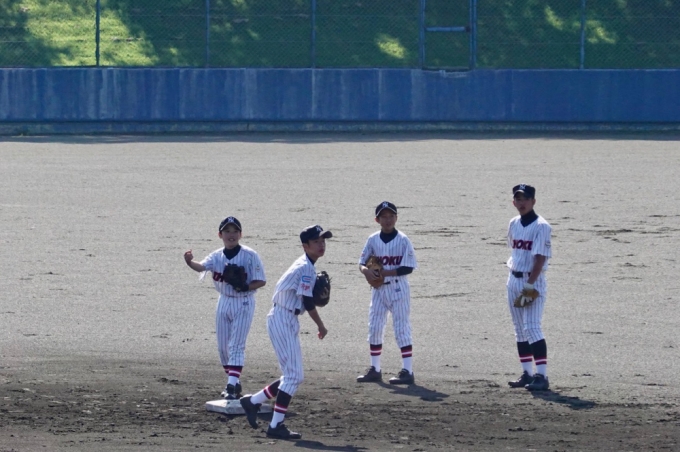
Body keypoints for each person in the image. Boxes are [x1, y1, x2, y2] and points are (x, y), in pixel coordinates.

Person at [240, 224, 331, 440]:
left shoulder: (306, 265)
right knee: (294, 376)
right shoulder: (305, 268)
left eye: (323, 241)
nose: (321, 245)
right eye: (316, 241)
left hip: (285, 318)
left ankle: (252, 402)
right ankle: (275, 425)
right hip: (282, 318)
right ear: (305, 246)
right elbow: (307, 301)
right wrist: (320, 325)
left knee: (291, 375)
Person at [183, 216, 266, 399]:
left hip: (244, 302)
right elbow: (201, 267)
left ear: (240, 234)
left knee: (236, 346)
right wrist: (189, 262)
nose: (231, 234)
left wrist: (245, 286)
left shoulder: (250, 255)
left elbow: (262, 281)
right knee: (223, 348)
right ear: (220, 235)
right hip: (223, 301)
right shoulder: (216, 256)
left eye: (235, 231)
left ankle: (230, 386)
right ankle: (234, 382)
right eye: (227, 231)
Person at [356, 201, 418, 385]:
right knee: (374, 327)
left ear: (396, 218)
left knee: (401, 328)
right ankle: (375, 369)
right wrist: (366, 272)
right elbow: (361, 262)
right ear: (377, 220)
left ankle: (408, 371)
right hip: (378, 290)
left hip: (399, 289)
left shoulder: (403, 240)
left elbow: (408, 268)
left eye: (391, 216)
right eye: (384, 216)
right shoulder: (372, 239)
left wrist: (384, 273)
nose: (388, 220)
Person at [505, 184, 552, 391]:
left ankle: (542, 376)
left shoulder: (542, 226)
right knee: (519, 329)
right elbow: (515, 251)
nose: (521, 202)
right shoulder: (513, 223)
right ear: (513, 202)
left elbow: (540, 259)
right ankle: (527, 373)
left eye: (525, 199)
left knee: (532, 327)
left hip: (532, 281)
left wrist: (529, 287)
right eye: (518, 199)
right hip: (513, 279)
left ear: (533, 201)